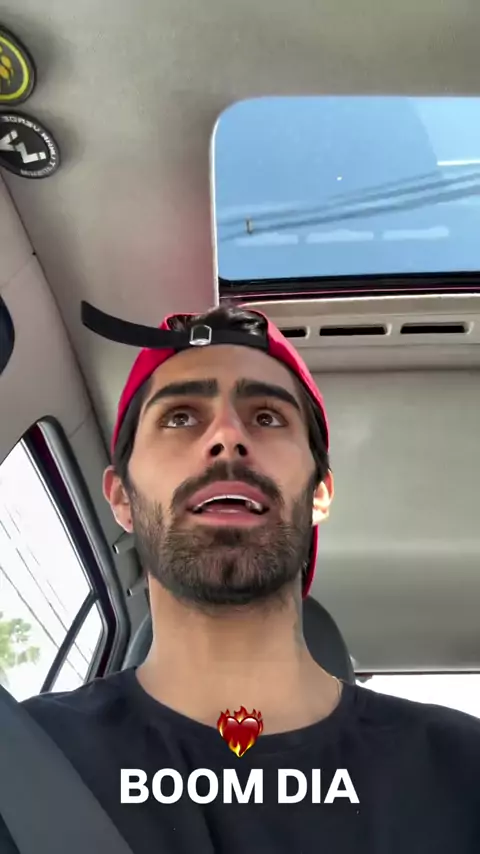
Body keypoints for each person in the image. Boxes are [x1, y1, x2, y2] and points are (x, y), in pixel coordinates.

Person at [2, 302, 480, 853]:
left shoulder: (463, 773)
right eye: (180, 417)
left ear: (319, 494)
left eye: (267, 417)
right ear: (122, 498)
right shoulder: (22, 769)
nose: (227, 435)